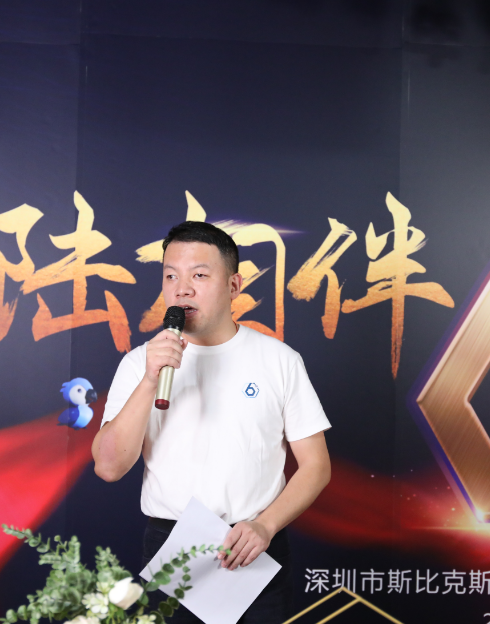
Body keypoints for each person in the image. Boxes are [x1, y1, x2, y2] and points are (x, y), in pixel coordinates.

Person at [92, 221, 332, 623]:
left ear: (234, 285)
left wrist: (265, 526)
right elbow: (109, 467)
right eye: (171, 276)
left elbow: (316, 465)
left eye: (199, 276)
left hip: (254, 543)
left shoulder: (279, 360)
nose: (182, 289)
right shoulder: (139, 364)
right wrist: (150, 380)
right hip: (172, 547)